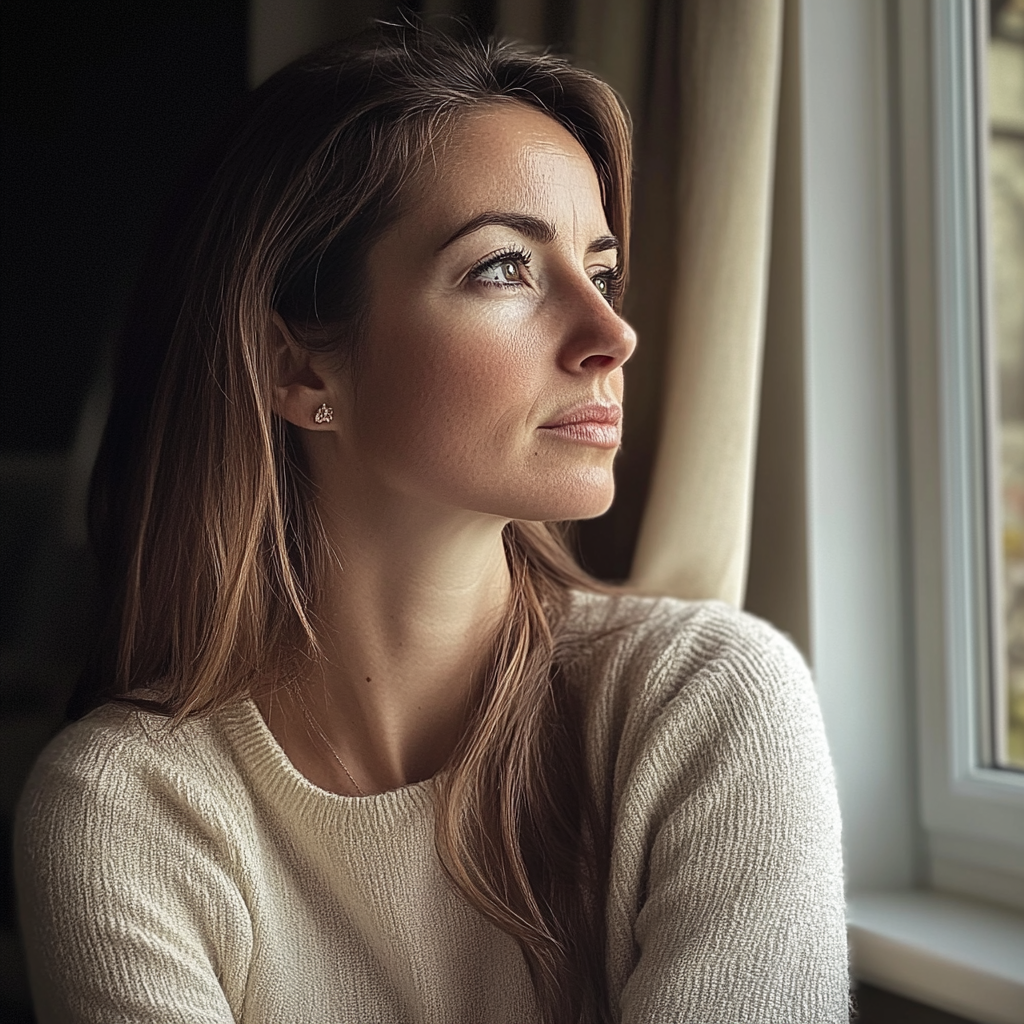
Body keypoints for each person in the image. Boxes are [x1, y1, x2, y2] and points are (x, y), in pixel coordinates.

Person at [14, 24, 848, 1024]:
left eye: (602, 269)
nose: (611, 335)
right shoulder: (124, 810)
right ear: (298, 368)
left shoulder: (706, 704)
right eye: (503, 268)